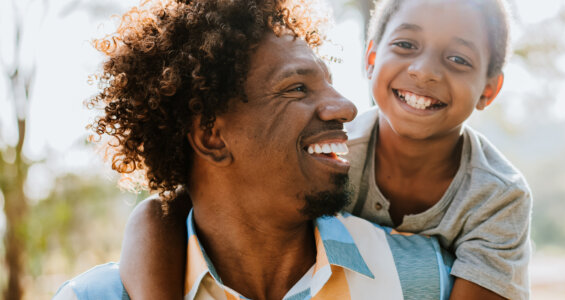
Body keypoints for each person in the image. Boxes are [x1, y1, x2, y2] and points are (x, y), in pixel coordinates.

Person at [121, 0, 533, 299]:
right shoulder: (336, 148)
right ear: (371, 58)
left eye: (459, 58)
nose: (424, 70)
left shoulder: (495, 200)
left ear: (490, 89)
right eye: (406, 45)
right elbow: (165, 212)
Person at [53, 0, 455, 299]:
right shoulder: (96, 298)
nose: (346, 108)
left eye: (329, 83)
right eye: (297, 88)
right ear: (212, 136)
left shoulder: (421, 278)